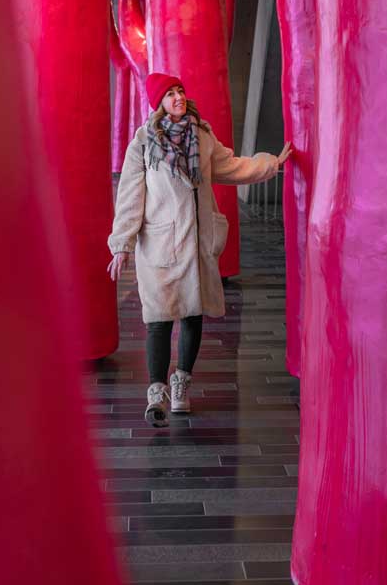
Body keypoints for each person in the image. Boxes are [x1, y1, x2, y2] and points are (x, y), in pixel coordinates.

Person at [107, 71, 293, 427]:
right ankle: (157, 393)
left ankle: (181, 385)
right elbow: (130, 196)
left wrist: (272, 163)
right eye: (169, 94)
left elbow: (233, 166)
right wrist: (121, 245)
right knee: (159, 320)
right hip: (159, 243)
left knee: (193, 315)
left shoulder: (202, 137)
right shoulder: (144, 142)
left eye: (180, 91)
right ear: (158, 104)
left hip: (196, 243)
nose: (178, 97)